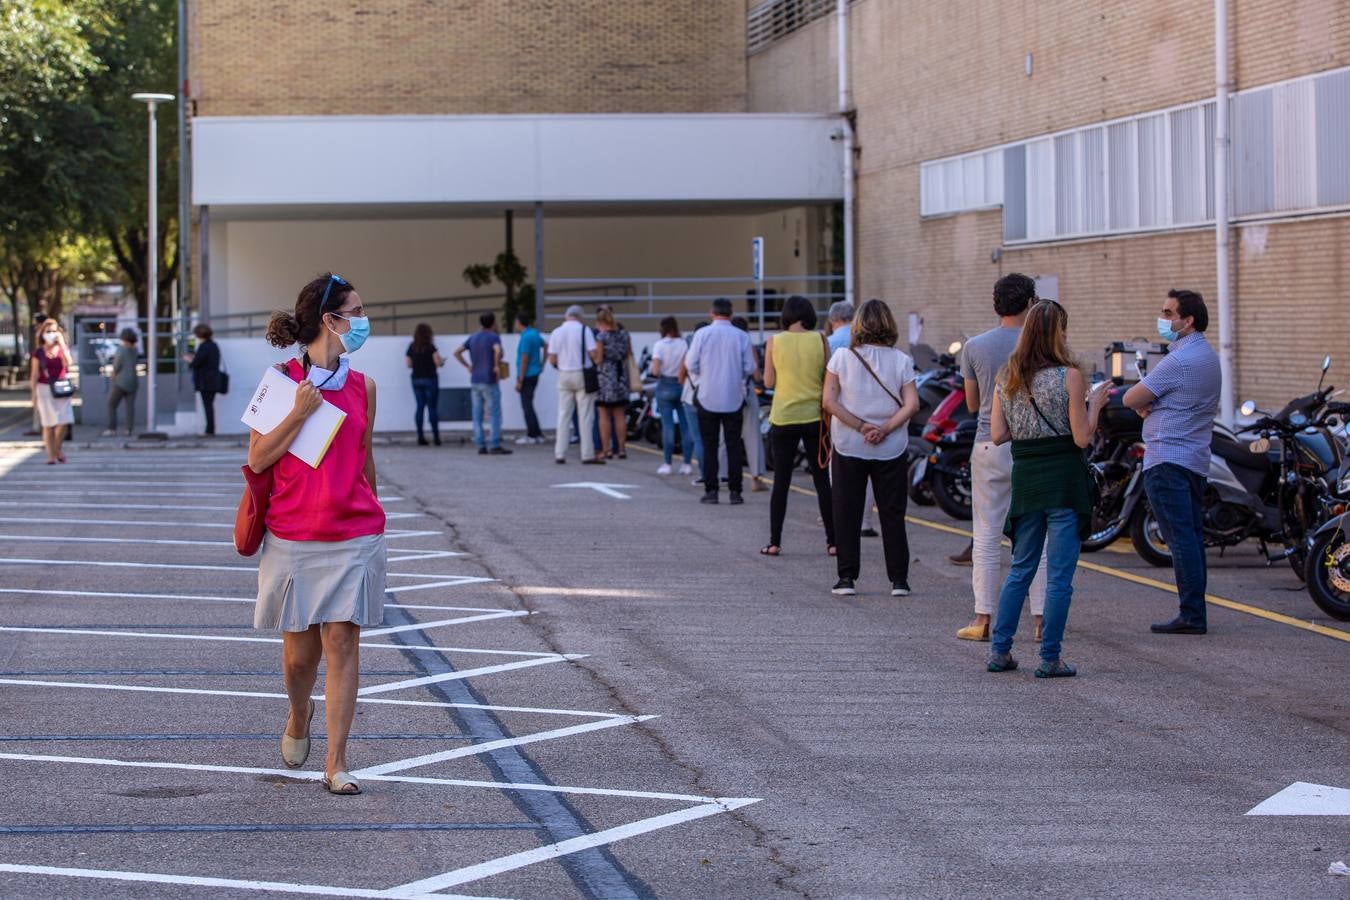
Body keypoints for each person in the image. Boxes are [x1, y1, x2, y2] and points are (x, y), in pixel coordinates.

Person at [250, 272, 386, 795]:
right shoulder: (281, 381)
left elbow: (365, 456)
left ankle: (337, 762)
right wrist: (299, 413)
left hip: (354, 532)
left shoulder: (363, 386)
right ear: (330, 320)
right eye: (355, 312)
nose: (362, 321)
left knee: (343, 642)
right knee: (299, 658)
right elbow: (258, 459)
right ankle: (298, 711)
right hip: (293, 536)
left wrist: (375, 507)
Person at [986, 300, 1109, 678]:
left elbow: (997, 434)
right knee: (1058, 576)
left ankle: (1000, 652)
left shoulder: (1008, 375)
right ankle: (1050, 657)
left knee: (1020, 569)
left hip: (1027, 479)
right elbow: (1082, 437)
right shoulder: (1070, 376)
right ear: (1059, 332)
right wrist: (1097, 405)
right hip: (1064, 481)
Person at [1124, 289, 1222, 635]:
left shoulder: (1179, 360)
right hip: (1194, 458)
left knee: (1180, 540)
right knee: (1191, 538)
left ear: (1188, 320)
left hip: (1167, 458)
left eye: (1168, 313)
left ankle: (1192, 615)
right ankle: (1195, 611)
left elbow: (1130, 396)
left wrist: (1142, 405)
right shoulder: (1207, 356)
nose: (1163, 319)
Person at [957, 274, 1049, 642]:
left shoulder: (975, 347)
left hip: (988, 444)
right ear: (1030, 302)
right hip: (1033, 446)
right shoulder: (1043, 347)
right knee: (1035, 535)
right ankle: (1041, 619)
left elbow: (969, 402)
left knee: (986, 532)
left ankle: (982, 619)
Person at [823, 299, 920, 596]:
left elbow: (829, 402)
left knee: (846, 511)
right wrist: (885, 428)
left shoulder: (841, 357)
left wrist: (861, 426)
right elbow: (912, 404)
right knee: (892, 513)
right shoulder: (901, 360)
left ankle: (846, 578)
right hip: (891, 447)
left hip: (850, 443)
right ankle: (899, 580)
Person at [762, 295, 835, 557]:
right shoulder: (820, 339)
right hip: (815, 417)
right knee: (821, 481)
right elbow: (828, 375)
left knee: (781, 481)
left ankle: (774, 542)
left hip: (784, 416)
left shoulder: (774, 341)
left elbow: (768, 382)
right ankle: (833, 541)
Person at [686, 298, 757, 505]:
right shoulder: (741, 336)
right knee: (734, 445)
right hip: (733, 397)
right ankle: (735, 491)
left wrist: (700, 381)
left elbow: (690, 363)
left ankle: (711, 491)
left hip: (707, 396)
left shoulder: (701, 334)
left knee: (710, 446)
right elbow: (749, 367)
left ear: (712, 313)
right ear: (731, 314)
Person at [827, 300, 878, 537]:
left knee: (839, 470)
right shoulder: (871, 344)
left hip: (842, 415)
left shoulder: (830, 345)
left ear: (832, 320)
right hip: (873, 416)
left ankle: (842, 518)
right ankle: (865, 522)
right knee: (868, 470)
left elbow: (827, 392)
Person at [548, 304, 605, 464]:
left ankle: (560, 453)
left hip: (564, 374)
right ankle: (587, 454)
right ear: (580, 317)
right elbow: (593, 354)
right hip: (582, 374)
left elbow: (551, 358)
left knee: (563, 415)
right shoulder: (584, 330)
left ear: (566, 316)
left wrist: (561, 366)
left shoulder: (556, 332)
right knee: (585, 416)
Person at [454, 311, 511, 455]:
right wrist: (496, 366)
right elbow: (497, 351)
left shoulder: (473, 337)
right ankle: (495, 444)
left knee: (477, 413)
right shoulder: (493, 337)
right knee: (495, 413)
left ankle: (480, 445)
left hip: (475, 380)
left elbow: (457, 352)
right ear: (493, 323)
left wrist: (468, 366)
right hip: (489, 379)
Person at [650, 316, 694, 475]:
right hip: (682, 385)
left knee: (667, 426)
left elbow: (655, 370)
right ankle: (687, 464)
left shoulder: (659, 345)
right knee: (686, 426)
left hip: (665, 385)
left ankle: (667, 464)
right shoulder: (684, 344)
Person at [728, 316, 768, 492]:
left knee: (724, 436)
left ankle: (722, 475)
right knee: (752, 435)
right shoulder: (746, 344)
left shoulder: (725, 344)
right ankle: (756, 478)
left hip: (726, 392)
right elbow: (756, 373)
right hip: (746, 392)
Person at [30, 318, 73, 464]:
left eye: (54, 331)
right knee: (48, 424)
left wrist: (62, 344)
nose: (51, 334)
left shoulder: (62, 348)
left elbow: (68, 363)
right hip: (44, 388)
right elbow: (34, 374)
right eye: (48, 331)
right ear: (42, 333)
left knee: (63, 422)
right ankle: (51, 455)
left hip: (61, 387)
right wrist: (33, 394)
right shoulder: (38, 352)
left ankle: (57, 448)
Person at [594, 305, 632, 459]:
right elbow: (629, 354)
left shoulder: (601, 337)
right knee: (619, 415)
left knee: (604, 415)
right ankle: (622, 449)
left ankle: (606, 449)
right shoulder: (624, 335)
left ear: (600, 322)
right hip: (621, 375)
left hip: (605, 377)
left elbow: (599, 359)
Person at [406, 323, 445, 446]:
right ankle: (436, 437)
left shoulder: (411, 347)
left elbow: (408, 364)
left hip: (416, 379)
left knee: (420, 407)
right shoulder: (431, 347)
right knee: (432, 408)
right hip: (430, 379)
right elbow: (438, 363)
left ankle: (420, 437)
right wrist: (442, 362)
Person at [678, 322, 707, 482]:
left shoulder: (689, 353)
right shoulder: (713, 353)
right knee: (713, 439)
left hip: (690, 398)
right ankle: (717, 474)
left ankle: (704, 475)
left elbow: (680, 377)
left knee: (698, 439)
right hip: (711, 399)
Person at [514, 312, 546, 445]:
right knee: (529, 404)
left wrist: (520, 379)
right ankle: (537, 433)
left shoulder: (526, 337)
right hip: (534, 373)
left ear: (519, 322)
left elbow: (524, 359)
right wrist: (542, 364)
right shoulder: (534, 333)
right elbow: (546, 346)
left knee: (526, 406)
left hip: (526, 375)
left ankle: (532, 434)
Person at [186, 324, 223, 435]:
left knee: (207, 406)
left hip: (205, 381)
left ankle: (209, 430)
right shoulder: (214, 345)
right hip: (213, 380)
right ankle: (210, 429)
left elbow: (196, 362)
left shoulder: (204, 347)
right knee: (209, 405)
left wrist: (190, 360)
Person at [102, 328, 140, 437]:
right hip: (133, 381)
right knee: (130, 407)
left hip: (121, 381)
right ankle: (129, 429)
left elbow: (117, 365)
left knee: (111, 404)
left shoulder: (121, 349)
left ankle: (111, 428)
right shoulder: (135, 350)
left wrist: (113, 375)